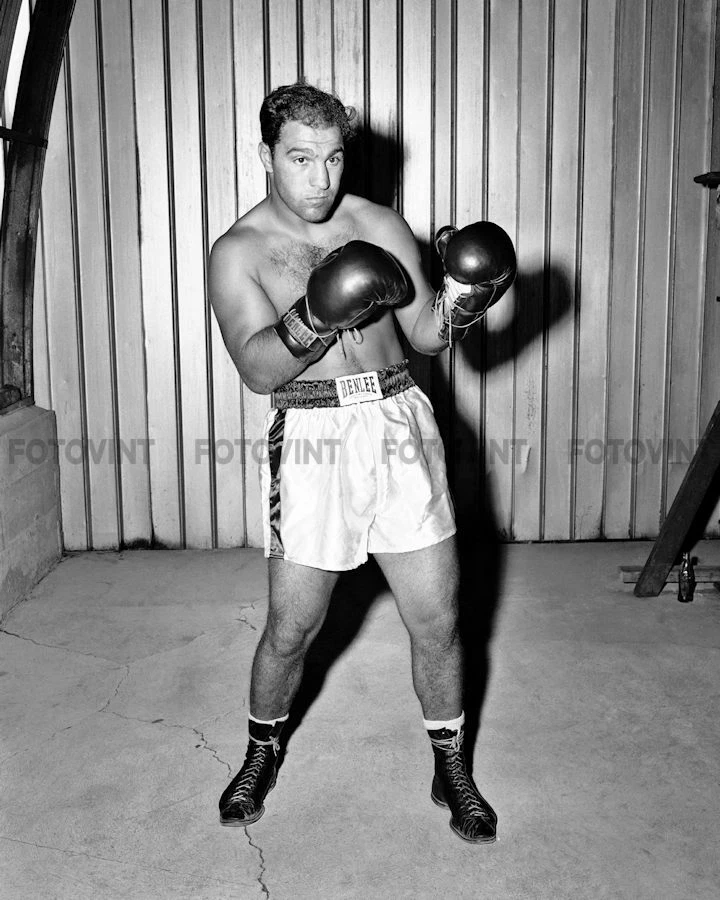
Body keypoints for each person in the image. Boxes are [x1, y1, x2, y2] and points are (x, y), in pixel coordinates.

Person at [209, 81, 516, 844]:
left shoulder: (378, 223)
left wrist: (464, 300)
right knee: (291, 627)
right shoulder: (237, 252)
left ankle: (451, 768)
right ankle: (259, 750)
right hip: (311, 439)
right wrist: (314, 316)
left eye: (334, 157)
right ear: (266, 156)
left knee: (440, 619)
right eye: (301, 158)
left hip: (399, 419)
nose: (321, 178)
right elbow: (256, 369)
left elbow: (426, 336)